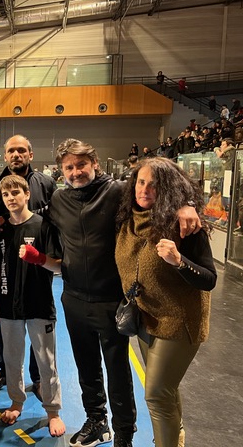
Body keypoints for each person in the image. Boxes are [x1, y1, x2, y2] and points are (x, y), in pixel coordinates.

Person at [48, 138, 200, 447]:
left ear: (95, 163)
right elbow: (28, 213)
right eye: (69, 167)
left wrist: (187, 204)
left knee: (117, 371)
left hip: (111, 300)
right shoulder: (59, 200)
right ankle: (96, 421)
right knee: (86, 367)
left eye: (81, 164)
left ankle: (123, 433)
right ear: (61, 170)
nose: (75, 172)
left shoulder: (118, 192)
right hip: (73, 297)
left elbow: (163, 185)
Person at [115, 157, 216, 447]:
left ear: (169, 190)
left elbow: (209, 279)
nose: (144, 189)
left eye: (154, 185)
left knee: (157, 394)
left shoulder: (184, 225)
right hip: (147, 318)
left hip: (179, 322)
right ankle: (176, 436)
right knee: (166, 390)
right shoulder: (128, 219)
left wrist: (179, 261)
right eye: (141, 182)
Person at [0, 175, 65, 436]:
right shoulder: (1, 229)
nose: (11, 198)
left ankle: (53, 411)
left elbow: (59, 266)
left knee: (46, 361)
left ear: (27, 194)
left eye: (16, 193)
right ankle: (16, 403)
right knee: (12, 359)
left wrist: (39, 258)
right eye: (6, 194)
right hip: (8, 304)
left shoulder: (43, 225)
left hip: (39, 303)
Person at [0, 134, 55, 393]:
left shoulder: (46, 183)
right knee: (5, 324)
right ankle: (6, 370)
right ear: (5, 155)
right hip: (5, 262)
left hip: (37, 264)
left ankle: (38, 378)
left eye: (22, 150)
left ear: (30, 154)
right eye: (11, 150)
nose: (16, 154)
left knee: (37, 324)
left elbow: (55, 217)